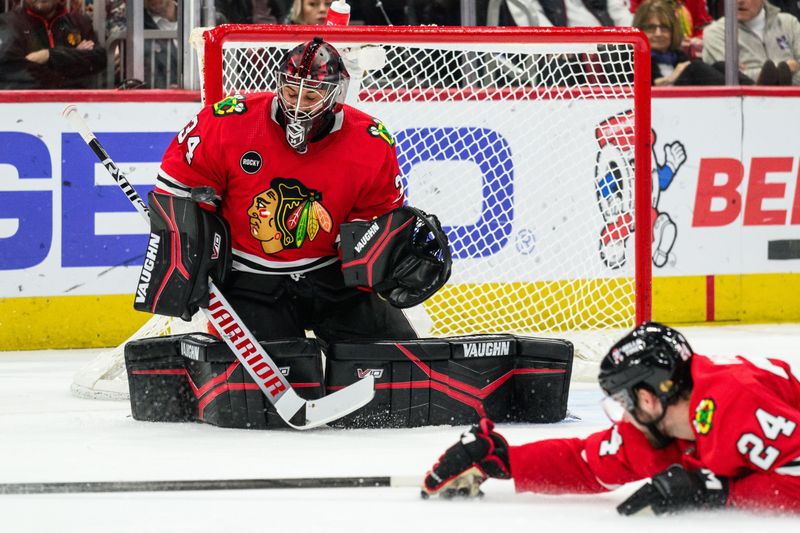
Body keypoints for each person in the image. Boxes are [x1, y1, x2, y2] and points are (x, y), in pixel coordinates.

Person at [154, 37, 419, 344]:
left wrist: (384, 260)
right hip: (248, 279)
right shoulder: (228, 122)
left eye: (310, 96)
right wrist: (188, 260)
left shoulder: (371, 141)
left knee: (399, 363)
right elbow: (178, 186)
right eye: (291, 92)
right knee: (279, 378)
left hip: (333, 277)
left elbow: (378, 220)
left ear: (336, 94)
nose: (296, 105)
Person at [422, 322, 800, 514]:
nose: (625, 414)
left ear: (649, 398)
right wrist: (506, 460)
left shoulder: (737, 406)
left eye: (624, 398)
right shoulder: (670, 422)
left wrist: (720, 492)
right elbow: (588, 463)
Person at [634, 0, 751, 85]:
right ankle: (737, 96)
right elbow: (640, 90)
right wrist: (671, 78)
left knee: (721, 66)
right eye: (651, 28)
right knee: (694, 67)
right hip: (656, 108)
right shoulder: (632, 58)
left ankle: (755, 89)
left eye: (664, 28)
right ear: (639, 29)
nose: (658, 33)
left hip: (688, 103)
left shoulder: (678, 56)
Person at [0, 0, 106, 89]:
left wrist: (49, 56)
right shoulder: (8, 24)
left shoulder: (79, 22)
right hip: (26, 108)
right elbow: (11, 73)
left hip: (74, 108)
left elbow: (99, 58)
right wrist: (75, 57)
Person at [702, 0, 800, 86]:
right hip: (744, 105)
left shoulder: (789, 23)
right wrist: (786, 70)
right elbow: (732, 80)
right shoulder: (715, 33)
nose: (739, 1)